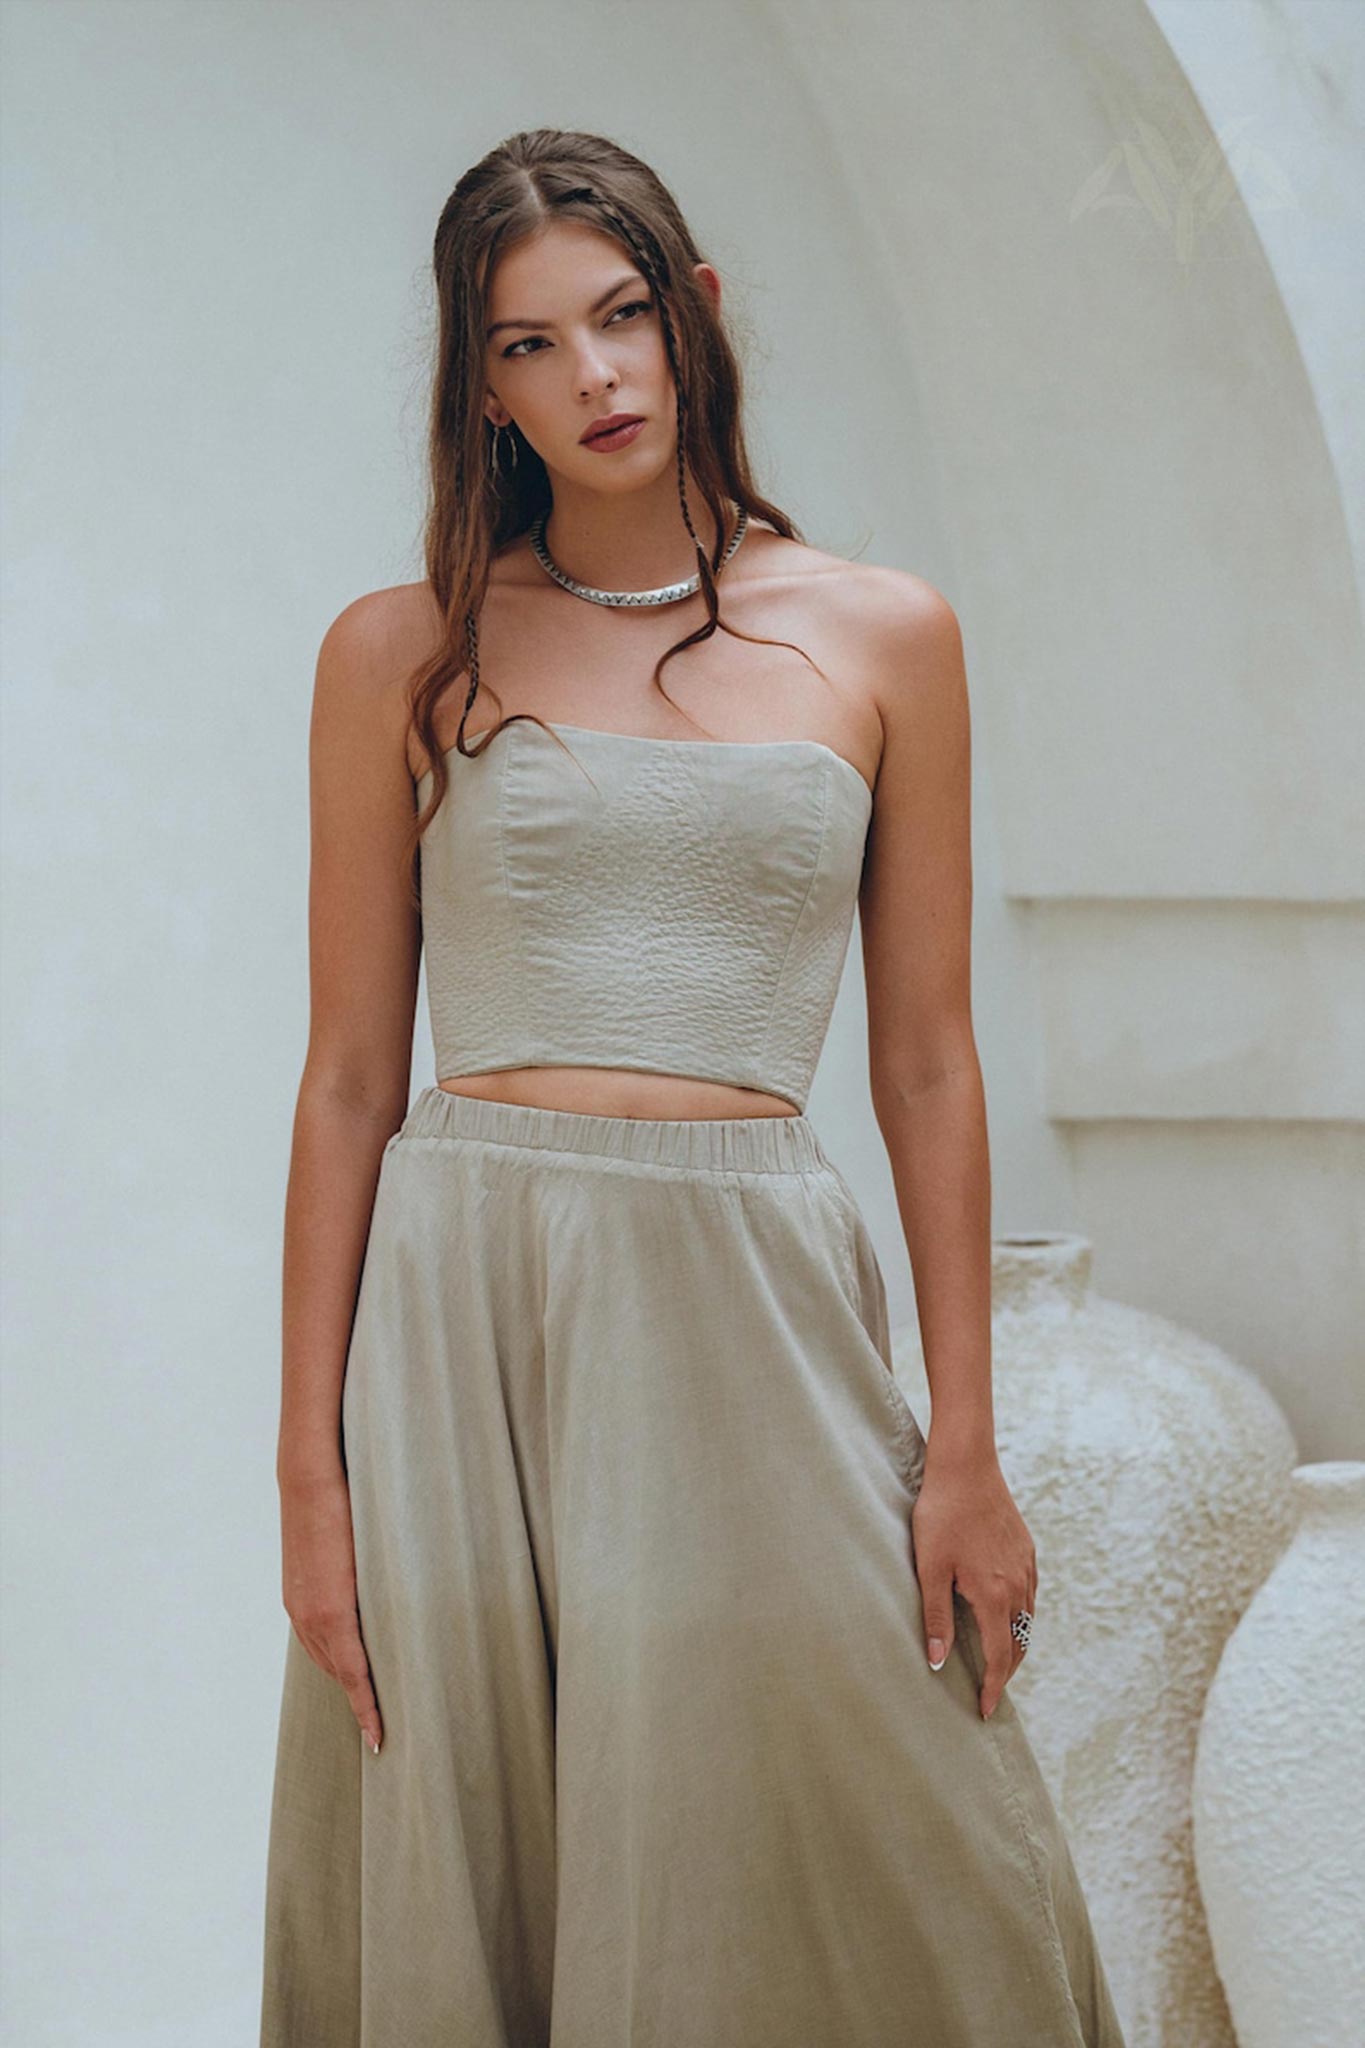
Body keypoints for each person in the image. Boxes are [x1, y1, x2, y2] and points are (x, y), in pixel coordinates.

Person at [259, 127, 1126, 2047]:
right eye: (528, 345)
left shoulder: (882, 633)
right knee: (488, 1850)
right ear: (474, 383)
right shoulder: (402, 652)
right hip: (468, 1305)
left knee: (908, 1818)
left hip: (754, 1296)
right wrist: (311, 1474)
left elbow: (922, 1062)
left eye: (622, 314)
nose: (593, 377)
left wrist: (960, 1446)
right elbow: (342, 1081)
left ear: (696, 311)